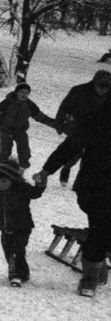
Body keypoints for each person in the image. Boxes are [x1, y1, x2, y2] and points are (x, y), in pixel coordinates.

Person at [39, 90, 111, 296]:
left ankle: (96, 265)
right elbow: (69, 147)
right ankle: (89, 278)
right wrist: (46, 170)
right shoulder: (97, 120)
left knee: (103, 231)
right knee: (100, 229)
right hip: (95, 186)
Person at [0, 160, 46, 286]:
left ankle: (15, 276)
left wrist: (40, 184)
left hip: (22, 228)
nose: (0, 184)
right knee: (8, 251)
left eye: (4, 181)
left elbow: (35, 193)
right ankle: (23, 273)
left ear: (13, 179)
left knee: (17, 250)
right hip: (5, 227)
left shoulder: (22, 188)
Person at [52, 70, 111, 183]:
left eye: (107, 87)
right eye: (101, 86)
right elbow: (64, 107)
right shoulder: (79, 91)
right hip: (78, 126)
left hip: (100, 129)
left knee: (91, 156)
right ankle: (66, 168)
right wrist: (59, 124)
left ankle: (82, 182)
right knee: (76, 151)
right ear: (94, 83)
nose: (103, 90)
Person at [0, 83, 56, 168]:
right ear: (16, 92)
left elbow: (41, 117)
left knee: (24, 151)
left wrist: (56, 124)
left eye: (26, 93)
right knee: (5, 151)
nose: (24, 95)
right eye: (22, 92)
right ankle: (1, 170)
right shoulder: (6, 103)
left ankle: (21, 170)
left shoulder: (30, 105)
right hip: (6, 130)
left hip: (20, 131)